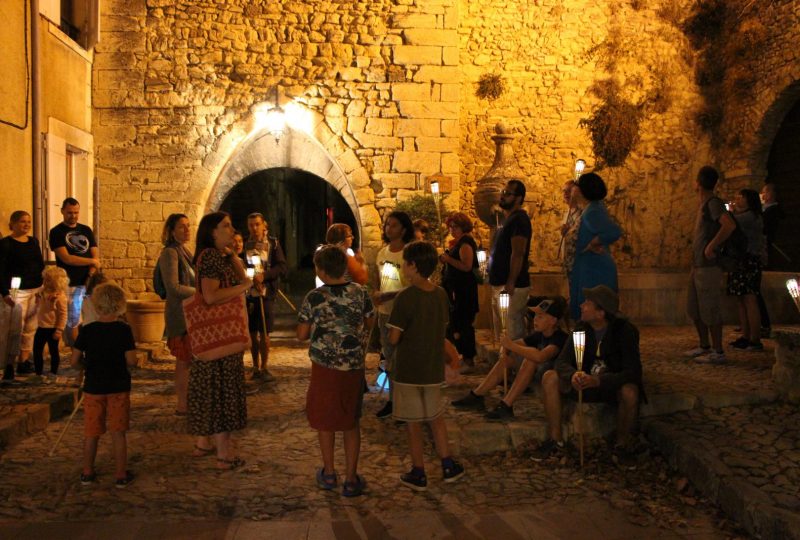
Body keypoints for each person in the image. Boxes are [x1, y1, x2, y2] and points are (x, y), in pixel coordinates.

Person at [297, 245, 375, 497]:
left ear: (320, 270)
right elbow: (370, 320)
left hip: (324, 367)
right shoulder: (360, 293)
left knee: (325, 420)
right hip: (353, 366)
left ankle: (329, 473)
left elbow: (301, 335)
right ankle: (351, 478)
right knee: (351, 421)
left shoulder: (314, 297)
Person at [387, 241, 465, 491]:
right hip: (432, 369)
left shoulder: (405, 298)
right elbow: (440, 331)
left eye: (404, 263)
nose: (402, 268)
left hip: (408, 370)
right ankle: (448, 465)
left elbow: (394, 338)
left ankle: (419, 471)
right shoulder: (440, 295)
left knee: (413, 423)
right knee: (436, 418)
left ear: (413, 266)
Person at [535, 286, 644, 464]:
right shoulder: (581, 329)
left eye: (587, 303)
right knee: (550, 377)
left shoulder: (625, 332)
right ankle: (555, 440)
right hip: (582, 383)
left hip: (608, 386)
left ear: (600, 313)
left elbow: (633, 371)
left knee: (630, 391)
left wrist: (599, 381)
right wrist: (573, 375)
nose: (581, 305)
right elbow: (561, 362)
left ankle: (622, 446)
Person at [189, 212, 252, 469]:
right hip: (221, 335)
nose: (232, 229)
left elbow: (241, 275)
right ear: (212, 231)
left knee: (210, 388)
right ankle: (224, 454)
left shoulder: (216, 255)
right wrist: (243, 288)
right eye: (225, 226)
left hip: (214, 338)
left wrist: (234, 257)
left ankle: (204, 442)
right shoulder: (212, 257)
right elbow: (211, 296)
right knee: (222, 390)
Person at [452, 296, 568, 420]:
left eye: (540, 316)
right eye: (535, 316)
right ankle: (477, 395)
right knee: (508, 359)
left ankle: (507, 404)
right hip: (538, 372)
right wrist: (505, 349)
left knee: (531, 357)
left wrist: (510, 345)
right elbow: (517, 343)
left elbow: (541, 356)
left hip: (553, 378)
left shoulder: (560, 338)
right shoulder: (540, 334)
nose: (535, 319)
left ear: (553, 320)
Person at [70, 283, 138, 488]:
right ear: (120, 305)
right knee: (118, 432)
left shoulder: (87, 331)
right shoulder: (124, 331)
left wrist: (86, 366)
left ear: (96, 305)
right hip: (118, 387)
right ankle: (120, 474)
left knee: (92, 432)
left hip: (93, 388)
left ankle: (87, 472)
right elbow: (132, 360)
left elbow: (74, 361)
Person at [684, 166, 736, 364]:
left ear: (698, 182)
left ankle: (718, 350)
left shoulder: (713, 203)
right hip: (697, 266)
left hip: (708, 267)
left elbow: (728, 225)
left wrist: (711, 246)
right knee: (694, 308)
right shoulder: (704, 204)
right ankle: (704, 345)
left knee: (710, 309)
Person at [372, 211, 414, 419]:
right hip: (385, 313)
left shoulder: (408, 253)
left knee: (404, 358)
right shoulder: (382, 253)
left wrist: (388, 295)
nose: (389, 229)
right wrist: (378, 295)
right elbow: (379, 280)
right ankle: (394, 401)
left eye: (394, 225)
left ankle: (407, 404)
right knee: (389, 357)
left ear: (404, 229)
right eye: (387, 225)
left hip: (403, 314)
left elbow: (413, 286)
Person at [157, 214, 196, 416]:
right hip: (179, 315)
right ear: (172, 231)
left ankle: (188, 400)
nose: (187, 230)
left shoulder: (184, 251)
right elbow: (173, 287)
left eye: (188, 226)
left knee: (189, 360)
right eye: (182, 227)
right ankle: (182, 404)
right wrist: (200, 294)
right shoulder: (170, 254)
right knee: (183, 361)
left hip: (190, 314)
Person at [568, 173, 622, 320]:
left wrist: (593, 243)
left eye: (577, 185)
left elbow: (613, 231)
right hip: (589, 266)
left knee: (592, 312)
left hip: (594, 270)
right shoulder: (590, 208)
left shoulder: (592, 211)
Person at [48, 198, 100, 346]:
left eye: (76, 212)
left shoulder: (86, 230)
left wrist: (90, 273)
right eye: (70, 212)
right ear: (62, 211)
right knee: (73, 320)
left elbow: (95, 254)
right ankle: (76, 355)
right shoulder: (56, 232)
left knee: (91, 319)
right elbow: (67, 258)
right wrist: (92, 262)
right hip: (70, 283)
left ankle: (89, 351)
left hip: (88, 283)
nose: (73, 216)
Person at [1, 211, 45, 379]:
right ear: (13, 223)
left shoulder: (33, 242)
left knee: (30, 327)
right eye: (22, 222)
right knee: (15, 327)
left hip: (34, 289)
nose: (26, 225)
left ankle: (23, 361)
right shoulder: (6, 244)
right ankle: (9, 363)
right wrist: (5, 293)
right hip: (16, 291)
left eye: (29, 222)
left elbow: (39, 265)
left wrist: (42, 287)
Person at [244, 213, 287, 382]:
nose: (254, 228)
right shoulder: (244, 243)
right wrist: (250, 279)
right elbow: (242, 265)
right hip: (250, 293)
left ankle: (265, 367)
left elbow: (282, 267)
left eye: (256, 224)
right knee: (253, 332)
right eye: (251, 225)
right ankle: (255, 366)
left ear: (264, 225)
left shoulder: (273, 243)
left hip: (266, 293)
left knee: (265, 330)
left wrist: (265, 276)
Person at [488, 179, 532, 341]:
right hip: (500, 284)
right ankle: (504, 365)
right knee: (503, 333)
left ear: (519, 198)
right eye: (503, 192)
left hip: (511, 287)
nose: (502, 196)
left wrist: (511, 282)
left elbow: (518, 252)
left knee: (512, 331)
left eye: (508, 193)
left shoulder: (519, 220)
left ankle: (517, 365)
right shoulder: (508, 220)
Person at [439, 212, 479, 369]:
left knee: (464, 325)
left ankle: (469, 359)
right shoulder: (459, 243)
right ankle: (464, 355)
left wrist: (448, 259)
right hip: (458, 290)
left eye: (455, 226)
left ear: (463, 227)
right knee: (457, 324)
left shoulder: (465, 244)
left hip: (465, 291)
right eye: (450, 226)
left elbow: (466, 266)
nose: (452, 229)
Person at [727, 189, 765, 352]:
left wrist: (729, 211)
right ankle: (746, 335)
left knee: (749, 299)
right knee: (741, 299)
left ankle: (755, 338)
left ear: (749, 200)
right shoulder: (747, 216)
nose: (738, 199)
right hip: (741, 260)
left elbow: (731, 222)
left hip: (749, 260)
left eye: (741, 197)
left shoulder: (751, 217)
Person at [33, 266, 68, 377]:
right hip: (41, 326)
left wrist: (59, 330)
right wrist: (38, 297)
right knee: (37, 350)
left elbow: (63, 314)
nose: (44, 282)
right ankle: (38, 372)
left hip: (53, 328)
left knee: (53, 351)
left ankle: (53, 371)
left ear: (55, 282)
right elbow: (39, 300)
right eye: (44, 279)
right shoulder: (43, 292)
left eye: (47, 280)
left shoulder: (60, 297)